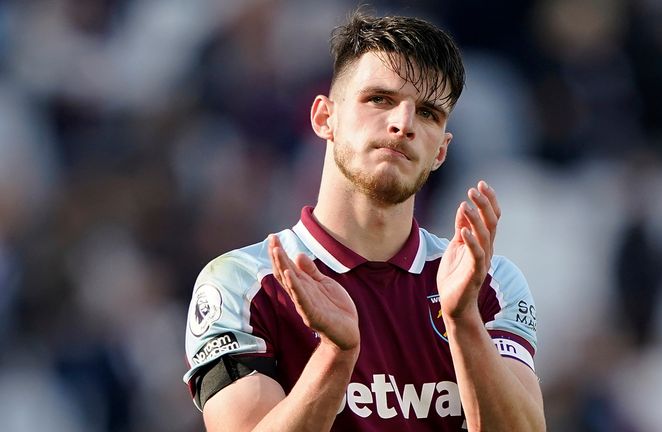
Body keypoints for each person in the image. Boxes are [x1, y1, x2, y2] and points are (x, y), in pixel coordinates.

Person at [183, 11, 545, 431]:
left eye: (428, 113)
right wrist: (336, 356)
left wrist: (464, 321)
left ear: (441, 151)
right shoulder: (243, 283)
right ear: (324, 118)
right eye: (380, 99)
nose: (403, 124)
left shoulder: (488, 283)